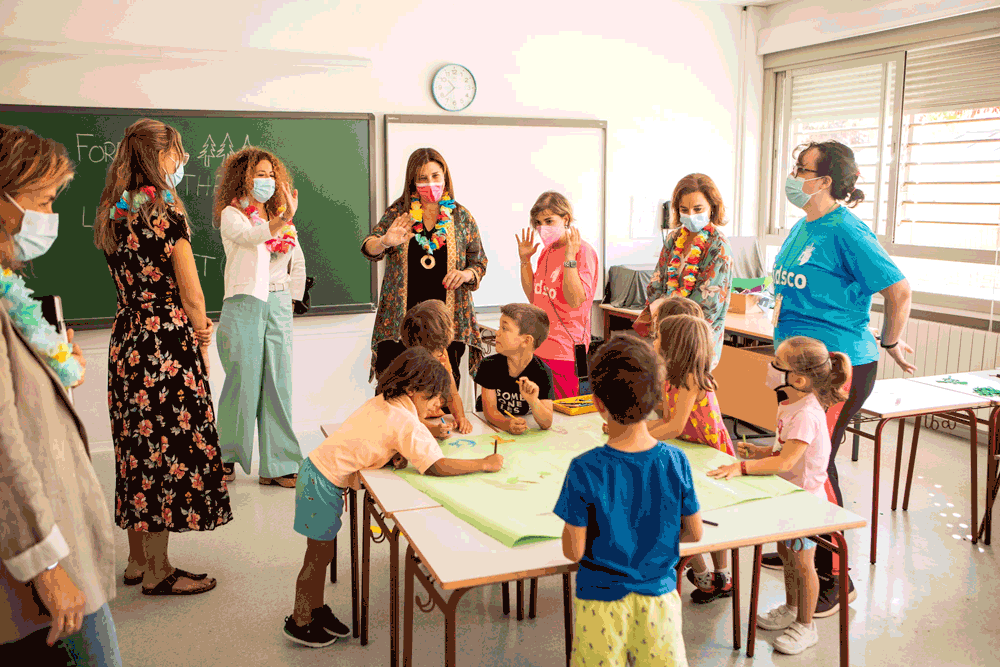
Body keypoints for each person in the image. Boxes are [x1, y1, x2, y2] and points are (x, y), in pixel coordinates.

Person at [766, 140, 913, 613]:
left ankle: (833, 576)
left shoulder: (846, 230)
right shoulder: (803, 226)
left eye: (801, 168)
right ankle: (797, 541)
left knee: (814, 466)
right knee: (791, 458)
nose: (793, 175)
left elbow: (898, 289)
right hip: (797, 366)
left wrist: (889, 341)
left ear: (825, 181)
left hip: (837, 368)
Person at [284, 347, 504, 647]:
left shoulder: (388, 402)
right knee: (318, 556)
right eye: (434, 399)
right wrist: (483, 463)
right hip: (321, 483)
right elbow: (436, 466)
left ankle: (315, 609)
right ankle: (300, 620)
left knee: (322, 555)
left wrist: (397, 453)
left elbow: (381, 437)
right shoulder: (405, 422)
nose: (439, 407)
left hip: (317, 475)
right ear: (413, 390)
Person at [95, 118, 231, 596]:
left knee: (135, 447)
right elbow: (191, 295)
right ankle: (159, 570)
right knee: (166, 451)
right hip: (167, 344)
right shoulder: (165, 213)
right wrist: (203, 338)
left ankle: (136, 561)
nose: (181, 161)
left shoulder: (115, 211)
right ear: (159, 157)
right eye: (176, 152)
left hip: (128, 340)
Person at [1, 124, 121, 665]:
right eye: (43, 200)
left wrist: (54, 368)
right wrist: (45, 566)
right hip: (42, 556)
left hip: (50, 537)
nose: (49, 216)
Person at [555, 334, 702, 667]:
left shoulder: (584, 468)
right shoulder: (675, 461)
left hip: (600, 602)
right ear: (659, 396)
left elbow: (574, 551)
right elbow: (693, 533)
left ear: (598, 403)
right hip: (660, 600)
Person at [709, 336, 851, 655]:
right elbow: (784, 450)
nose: (770, 367)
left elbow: (786, 462)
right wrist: (760, 451)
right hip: (786, 495)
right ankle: (790, 608)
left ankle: (806, 624)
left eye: (777, 363)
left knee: (803, 563)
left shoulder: (806, 414)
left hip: (805, 502)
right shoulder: (789, 403)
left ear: (798, 379)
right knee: (786, 556)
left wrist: (744, 467)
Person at [213, 146, 305, 487]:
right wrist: (280, 221)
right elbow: (252, 237)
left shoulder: (283, 217)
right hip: (244, 303)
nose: (266, 180)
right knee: (243, 382)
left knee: (279, 383)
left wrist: (292, 301)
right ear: (243, 178)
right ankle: (226, 456)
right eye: (258, 174)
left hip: (278, 304)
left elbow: (296, 262)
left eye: (270, 174)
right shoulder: (232, 214)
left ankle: (279, 465)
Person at [362, 148, 488, 389]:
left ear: (445, 177)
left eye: (435, 176)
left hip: (446, 324)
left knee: (442, 395)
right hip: (401, 322)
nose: (430, 183)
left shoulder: (461, 217)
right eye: (422, 178)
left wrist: (465, 274)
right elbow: (369, 247)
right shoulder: (399, 212)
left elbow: (479, 261)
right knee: (397, 393)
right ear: (412, 181)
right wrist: (385, 241)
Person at [653, 306, 735, 604]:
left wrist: (637, 434)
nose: (654, 340)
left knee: (699, 514)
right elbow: (665, 417)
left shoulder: (691, 378)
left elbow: (673, 426)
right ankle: (707, 576)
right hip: (691, 451)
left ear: (674, 344)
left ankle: (718, 575)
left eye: (658, 337)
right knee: (691, 512)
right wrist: (629, 425)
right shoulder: (670, 374)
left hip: (711, 454)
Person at [642, 173, 734, 368]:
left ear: (712, 207)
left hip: (696, 342)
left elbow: (707, 305)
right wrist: (662, 314)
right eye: (684, 209)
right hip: (665, 337)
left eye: (698, 209)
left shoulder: (719, 246)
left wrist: (668, 310)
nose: (691, 215)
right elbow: (657, 282)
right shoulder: (674, 238)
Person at [516, 191, 599, 398]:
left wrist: (569, 257)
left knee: (562, 418)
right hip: (539, 347)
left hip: (565, 352)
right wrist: (525, 261)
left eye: (549, 221)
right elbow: (535, 297)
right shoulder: (546, 251)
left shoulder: (583, 252)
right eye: (538, 223)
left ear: (566, 219)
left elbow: (575, 300)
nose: (543, 228)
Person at [474, 303, 554, 435]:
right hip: (488, 428)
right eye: (499, 327)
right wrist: (506, 425)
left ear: (526, 341)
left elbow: (546, 423)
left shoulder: (542, 371)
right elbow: (490, 411)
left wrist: (533, 400)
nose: (497, 332)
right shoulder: (489, 365)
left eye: (504, 328)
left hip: (523, 430)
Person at [400, 300, 473, 437]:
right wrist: (433, 430)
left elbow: (453, 394)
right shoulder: (412, 366)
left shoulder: (442, 355)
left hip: (436, 419)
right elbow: (408, 417)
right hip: (414, 428)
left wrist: (460, 417)